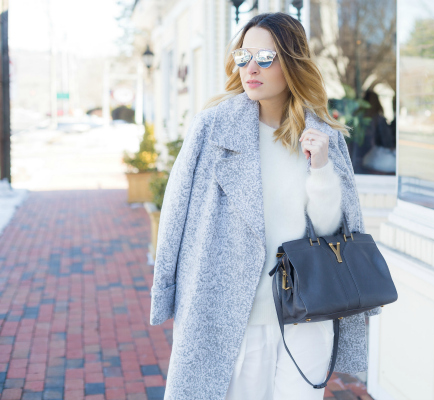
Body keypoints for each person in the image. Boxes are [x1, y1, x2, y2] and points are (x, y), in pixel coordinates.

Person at [149, 11, 381, 400]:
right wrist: (167, 290)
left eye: (266, 58)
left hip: (308, 314)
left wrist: (321, 170)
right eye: (244, 57)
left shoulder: (324, 136)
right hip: (234, 316)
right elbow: (175, 213)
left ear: (292, 63)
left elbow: (333, 234)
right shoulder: (213, 128)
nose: (250, 67)